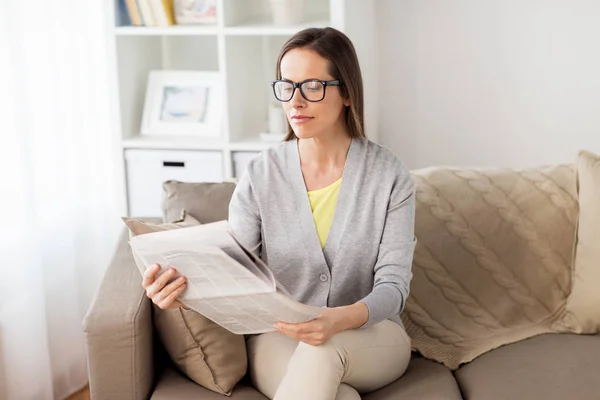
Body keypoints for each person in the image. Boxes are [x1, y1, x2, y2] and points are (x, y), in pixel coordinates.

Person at [142, 27, 416, 400]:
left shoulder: (389, 176)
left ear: (348, 92)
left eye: (312, 87)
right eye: (286, 87)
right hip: (281, 337)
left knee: (326, 348)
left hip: (371, 336)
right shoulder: (261, 174)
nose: (295, 102)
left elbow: (394, 287)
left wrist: (338, 320)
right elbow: (235, 271)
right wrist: (180, 292)